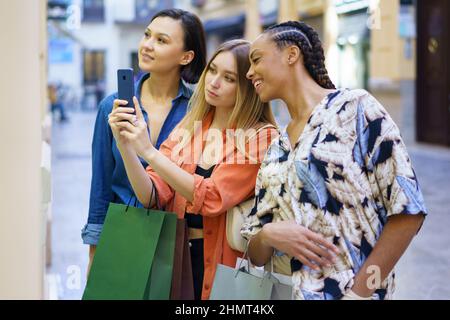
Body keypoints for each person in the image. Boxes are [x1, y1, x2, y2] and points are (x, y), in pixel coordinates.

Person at [243, 21, 427, 300]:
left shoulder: (356, 108)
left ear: (292, 55)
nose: (249, 72)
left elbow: (408, 209)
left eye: (256, 59)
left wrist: (359, 294)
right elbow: (255, 253)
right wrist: (268, 234)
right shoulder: (275, 149)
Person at [108, 40, 279, 300]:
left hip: (227, 266)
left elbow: (212, 197)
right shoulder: (192, 126)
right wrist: (126, 147)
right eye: (212, 71)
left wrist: (149, 152)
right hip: (178, 258)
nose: (213, 82)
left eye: (229, 78)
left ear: (247, 86)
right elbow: (152, 195)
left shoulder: (260, 137)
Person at [81, 9, 207, 275]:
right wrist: (94, 253)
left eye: (161, 40)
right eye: (147, 35)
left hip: (179, 243)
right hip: (124, 234)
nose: (147, 45)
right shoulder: (111, 108)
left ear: (186, 56)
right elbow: (101, 186)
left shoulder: (200, 111)